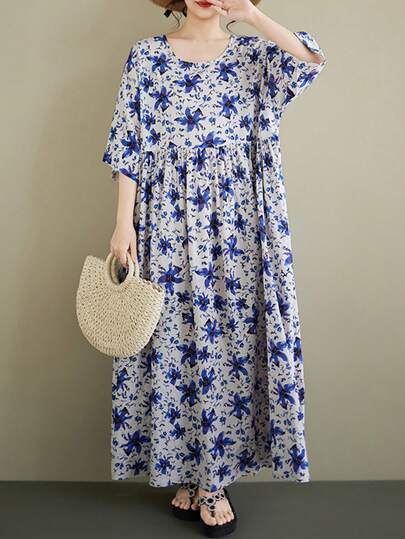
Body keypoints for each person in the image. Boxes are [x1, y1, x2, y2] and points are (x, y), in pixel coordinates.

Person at [102, 0, 327, 536]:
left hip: (238, 227)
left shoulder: (253, 55)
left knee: (227, 346)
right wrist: (123, 225)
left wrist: (251, 15)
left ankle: (213, 481)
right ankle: (187, 470)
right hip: (167, 222)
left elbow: (311, 60)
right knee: (174, 341)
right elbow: (129, 144)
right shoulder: (146, 56)